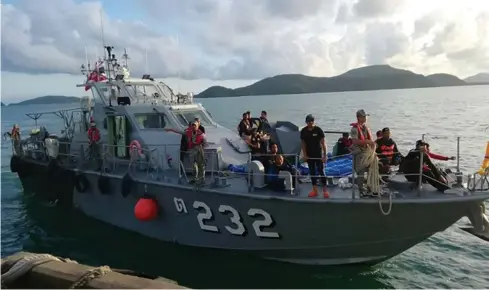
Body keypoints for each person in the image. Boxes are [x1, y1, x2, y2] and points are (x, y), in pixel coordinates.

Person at [300, 114, 329, 198]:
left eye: (312, 121)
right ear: (306, 122)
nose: (310, 122)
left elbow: (323, 143)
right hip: (309, 155)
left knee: (321, 171)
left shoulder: (318, 130)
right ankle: (314, 190)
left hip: (318, 155)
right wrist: (305, 155)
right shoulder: (303, 131)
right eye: (309, 121)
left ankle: (325, 190)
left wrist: (325, 155)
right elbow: (303, 144)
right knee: (312, 172)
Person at [350, 109, 375, 196]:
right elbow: (355, 141)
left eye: (365, 116)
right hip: (359, 153)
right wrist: (367, 142)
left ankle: (370, 186)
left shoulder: (366, 128)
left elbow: (370, 140)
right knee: (361, 171)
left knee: (372, 169)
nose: (365, 118)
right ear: (358, 117)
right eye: (363, 116)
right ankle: (361, 190)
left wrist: (372, 145)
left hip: (367, 152)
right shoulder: (354, 129)